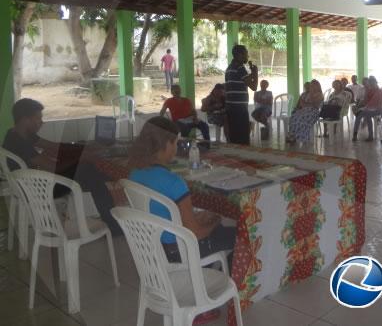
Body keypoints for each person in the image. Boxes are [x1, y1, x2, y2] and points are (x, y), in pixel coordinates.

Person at [128, 117, 236, 324]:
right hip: (179, 251)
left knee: (215, 228)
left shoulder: (135, 174)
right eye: (175, 143)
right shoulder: (174, 182)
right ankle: (205, 300)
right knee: (239, 236)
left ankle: (202, 279)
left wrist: (199, 218)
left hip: (154, 249)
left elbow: (166, 214)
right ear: (166, 144)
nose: (176, 148)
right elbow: (195, 234)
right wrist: (213, 221)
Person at [2, 98, 120, 234]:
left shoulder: (16, 134)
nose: (41, 122)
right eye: (38, 118)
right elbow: (55, 167)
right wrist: (82, 158)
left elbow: (52, 146)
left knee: (92, 173)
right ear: (25, 119)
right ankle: (113, 225)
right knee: (91, 173)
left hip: (29, 184)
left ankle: (110, 186)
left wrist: (82, 149)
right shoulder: (20, 143)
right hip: (38, 189)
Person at [225, 45, 258, 145]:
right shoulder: (240, 68)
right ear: (240, 55)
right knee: (242, 138)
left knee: (234, 136)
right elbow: (253, 87)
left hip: (231, 107)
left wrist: (251, 73)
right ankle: (243, 159)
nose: (247, 57)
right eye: (246, 54)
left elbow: (243, 79)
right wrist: (256, 73)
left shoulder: (230, 68)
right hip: (239, 108)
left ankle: (235, 158)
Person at [352, 76, 382, 142]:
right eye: (370, 83)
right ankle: (355, 134)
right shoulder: (369, 90)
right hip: (369, 109)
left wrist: (363, 108)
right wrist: (358, 106)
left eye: (372, 83)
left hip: (377, 110)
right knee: (359, 115)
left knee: (364, 114)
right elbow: (365, 101)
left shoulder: (379, 91)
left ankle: (370, 136)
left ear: (376, 82)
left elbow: (372, 103)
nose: (371, 84)